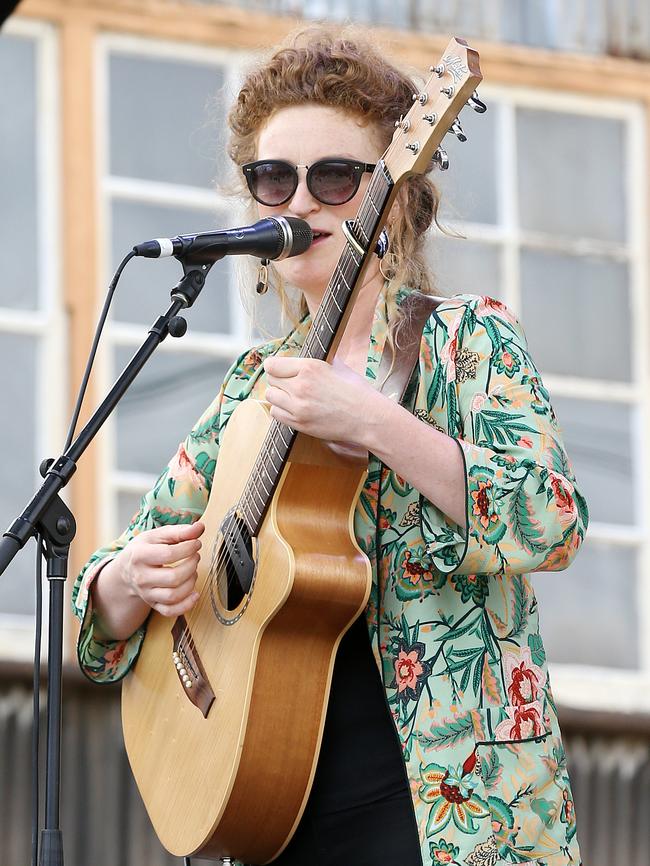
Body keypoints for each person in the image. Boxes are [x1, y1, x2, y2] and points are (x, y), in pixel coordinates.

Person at [72, 27, 588, 866]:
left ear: (398, 195)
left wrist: (376, 424)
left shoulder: (465, 341)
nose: (301, 203)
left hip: (451, 809)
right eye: (275, 179)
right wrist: (127, 581)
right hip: (274, 807)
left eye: (335, 177)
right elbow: (101, 611)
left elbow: (549, 517)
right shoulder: (249, 389)